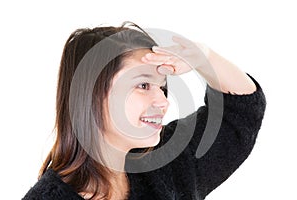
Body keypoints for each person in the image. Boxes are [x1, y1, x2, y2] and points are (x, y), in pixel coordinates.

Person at [23, 22, 266, 200]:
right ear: (92, 95)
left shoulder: (167, 166)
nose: (163, 101)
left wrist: (204, 57)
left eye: (161, 87)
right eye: (143, 85)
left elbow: (240, 111)